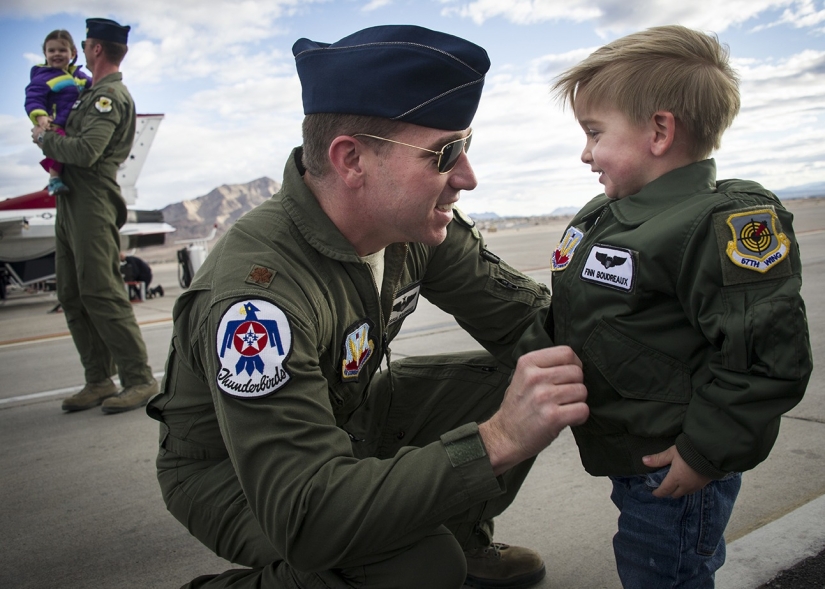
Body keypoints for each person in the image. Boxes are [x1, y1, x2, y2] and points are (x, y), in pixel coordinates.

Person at [147, 25, 589, 589]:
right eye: (445, 153)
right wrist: (498, 439)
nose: (467, 178)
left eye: (467, 147)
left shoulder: (412, 227)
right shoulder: (258, 298)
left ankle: (459, 534)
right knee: (417, 568)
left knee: (539, 369)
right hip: (236, 471)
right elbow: (307, 513)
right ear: (352, 159)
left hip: (346, 420)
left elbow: (533, 326)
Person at [547, 25, 812, 588]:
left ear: (660, 131)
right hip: (632, 452)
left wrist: (703, 453)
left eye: (595, 133)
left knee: (664, 575)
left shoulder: (722, 224)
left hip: (676, 465)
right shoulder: (606, 214)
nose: (585, 153)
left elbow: (763, 359)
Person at [31, 18, 158, 415]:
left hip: (92, 198)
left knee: (101, 291)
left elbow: (86, 151)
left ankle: (139, 379)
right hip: (69, 200)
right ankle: (99, 379)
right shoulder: (87, 93)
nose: (79, 51)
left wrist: (44, 138)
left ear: (95, 49)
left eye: (84, 45)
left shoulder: (108, 98)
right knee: (71, 293)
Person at [25, 29, 92, 196]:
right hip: (55, 122)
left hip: (75, 123)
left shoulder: (78, 75)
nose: (57, 54)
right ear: (45, 53)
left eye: (62, 50)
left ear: (72, 53)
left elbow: (94, 85)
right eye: (51, 50)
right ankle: (54, 179)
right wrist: (40, 116)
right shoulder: (43, 77)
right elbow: (34, 97)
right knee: (58, 145)